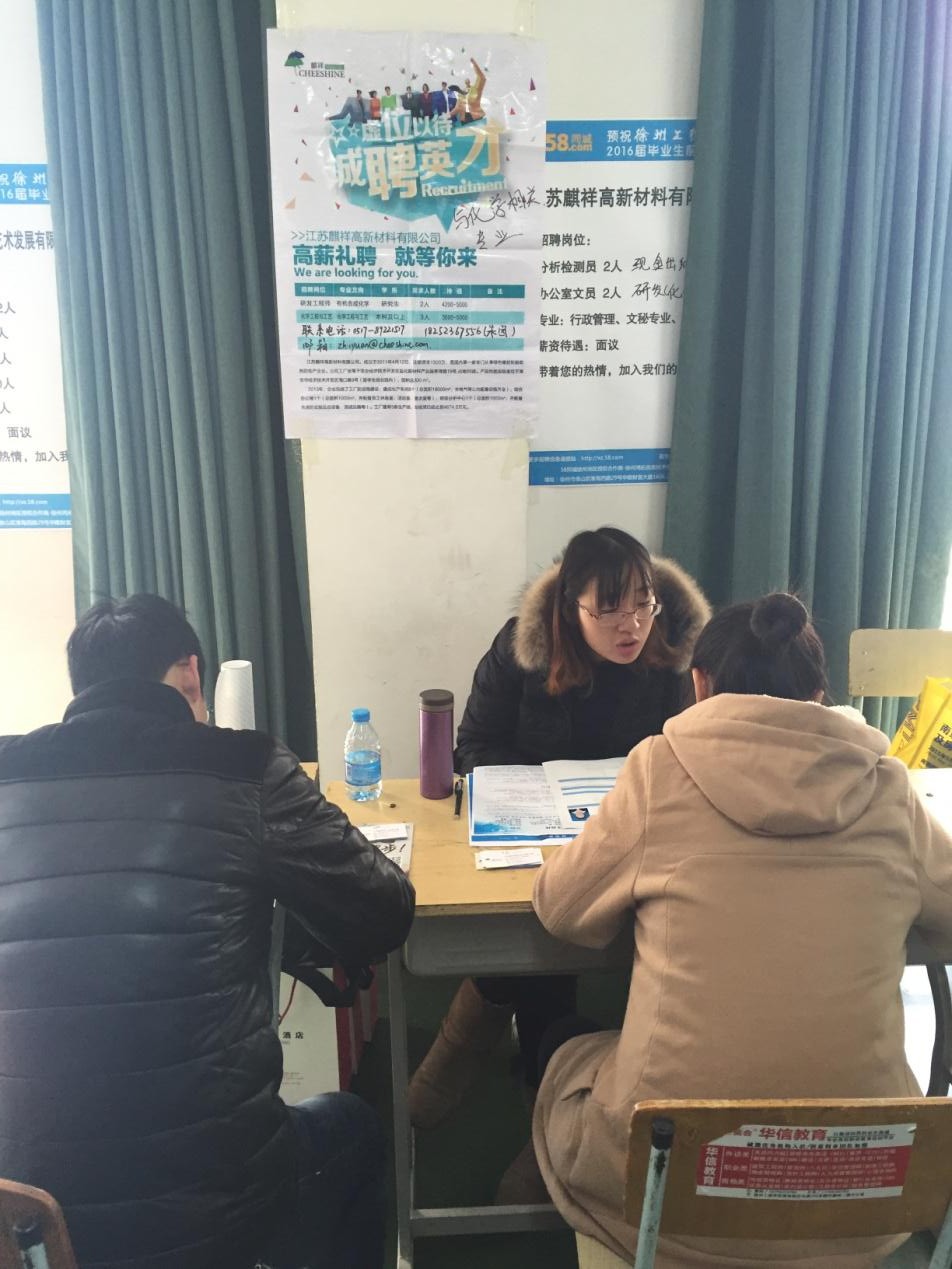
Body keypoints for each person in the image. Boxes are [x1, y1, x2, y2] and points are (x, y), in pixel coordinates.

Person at [531, 593, 952, 1266]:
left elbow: (560, 910)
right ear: (820, 696)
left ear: (699, 683)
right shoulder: (889, 790)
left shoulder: (658, 768)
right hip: (859, 1197)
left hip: (670, 1202)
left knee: (567, 1054)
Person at [0, 594, 415, 1269]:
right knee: (356, 1128)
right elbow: (385, 910)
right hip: (212, 1211)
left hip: (27, 1220)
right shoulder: (243, 767)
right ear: (192, 673)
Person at [407, 528, 709, 1142]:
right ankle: (541, 1101)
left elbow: (689, 753)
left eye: (643, 605)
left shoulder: (674, 656)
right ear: (572, 608)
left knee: (555, 923)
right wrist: (538, 791)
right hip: (535, 827)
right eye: (609, 609)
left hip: (633, 834)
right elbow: (473, 746)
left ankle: (485, 1056)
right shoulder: (521, 649)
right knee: (543, 917)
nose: (631, 625)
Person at [450, 58, 487, 123]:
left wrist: (474, 64)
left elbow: (482, 78)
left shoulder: (476, 89)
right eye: (465, 80)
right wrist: (447, 115)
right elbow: (457, 108)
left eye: (468, 80)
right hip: (465, 121)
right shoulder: (461, 95)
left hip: (477, 118)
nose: (466, 81)